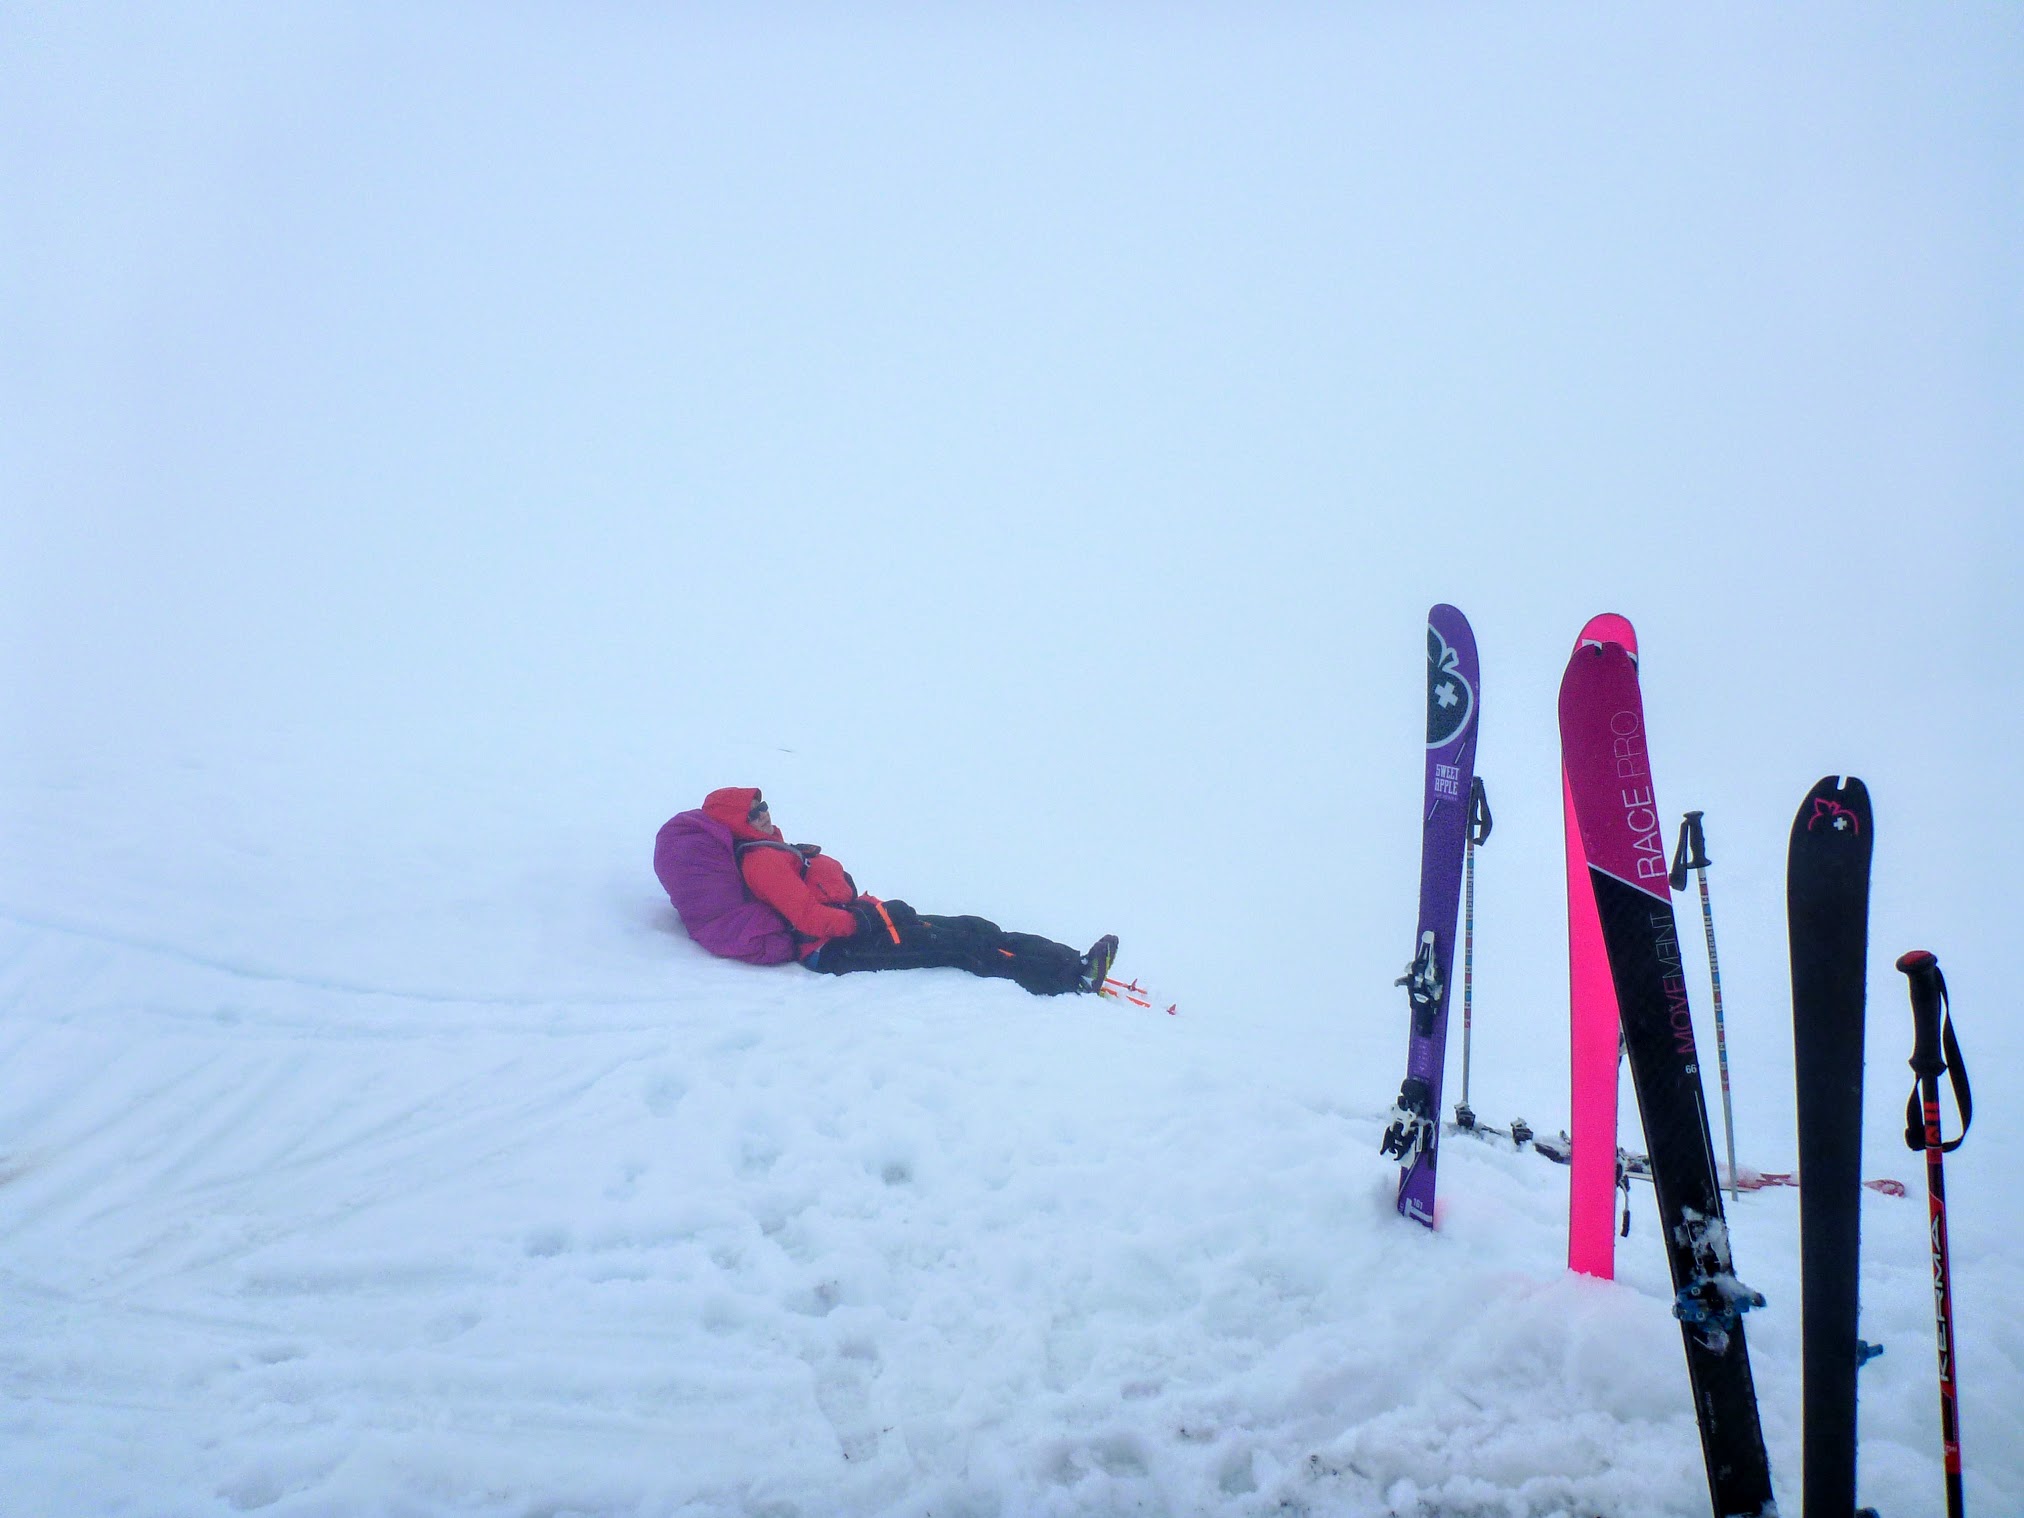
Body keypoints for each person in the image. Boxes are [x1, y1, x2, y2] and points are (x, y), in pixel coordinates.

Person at [698, 786, 1117, 997]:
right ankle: (1070, 980)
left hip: (856, 928)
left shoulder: (779, 850)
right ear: (737, 821)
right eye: (753, 812)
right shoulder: (761, 862)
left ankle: (1073, 958)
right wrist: (867, 921)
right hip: (832, 949)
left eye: (764, 804)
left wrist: (876, 913)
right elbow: (807, 918)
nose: (765, 813)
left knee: (974, 925)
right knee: (960, 947)